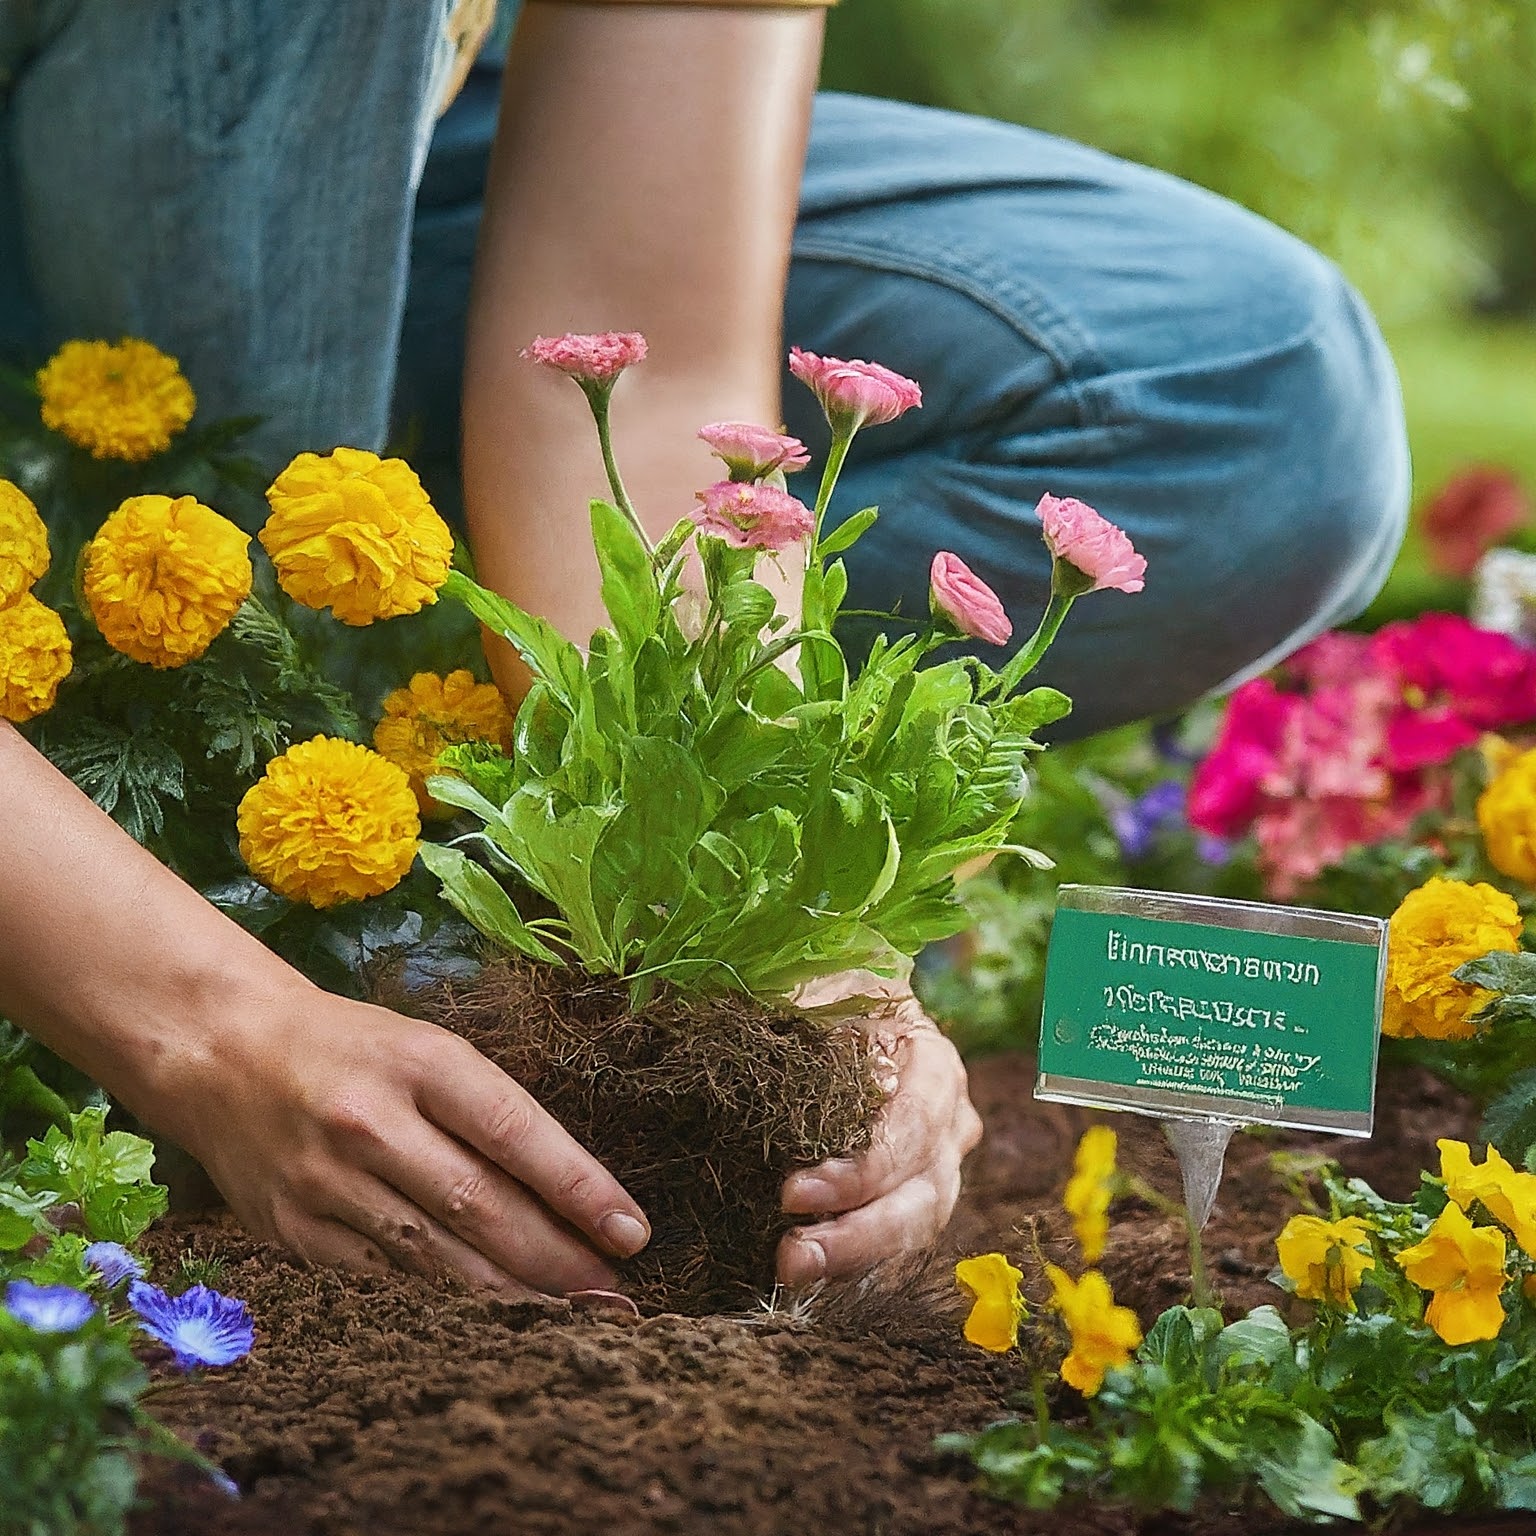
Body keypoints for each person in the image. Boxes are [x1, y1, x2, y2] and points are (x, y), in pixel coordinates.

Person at [0, 2, 1407, 1298]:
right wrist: (213, 1029)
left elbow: (648, 355)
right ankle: (200, 770)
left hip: (407, 147)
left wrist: (803, 923)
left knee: (1264, 405)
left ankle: (447, 807)